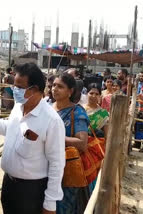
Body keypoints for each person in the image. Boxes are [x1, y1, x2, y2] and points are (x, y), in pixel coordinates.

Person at [0, 63, 65, 214]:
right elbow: (10, 128)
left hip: (31, 192)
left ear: (34, 89)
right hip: (9, 185)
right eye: (14, 85)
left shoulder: (51, 120)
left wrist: (50, 203)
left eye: (19, 87)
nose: (14, 90)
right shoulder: (18, 108)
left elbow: (56, 163)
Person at [51, 73, 90, 214]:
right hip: (43, 168)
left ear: (70, 91)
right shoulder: (47, 107)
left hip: (66, 171)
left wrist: (54, 138)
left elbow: (82, 143)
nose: (55, 89)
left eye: (60, 86)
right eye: (54, 85)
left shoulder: (77, 113)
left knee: (63, 208)